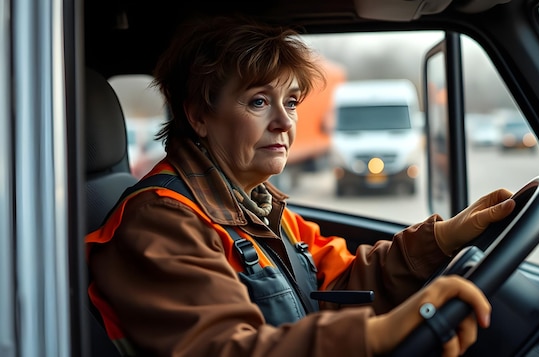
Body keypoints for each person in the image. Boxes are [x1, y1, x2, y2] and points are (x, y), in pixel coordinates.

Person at [85, 16, 516, 357]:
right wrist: (376, 336)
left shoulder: (257, 206)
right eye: (258, 101)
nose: (286, 121)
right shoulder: (161, 220)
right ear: (198, 115)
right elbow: (222, 348)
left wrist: (443, 238)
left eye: (290, 102)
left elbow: (342, 282)